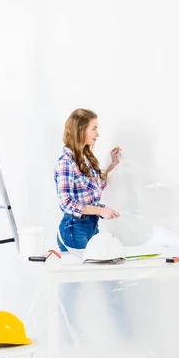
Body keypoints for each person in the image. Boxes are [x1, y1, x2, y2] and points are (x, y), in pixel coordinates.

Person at [55, 108, 121, 252]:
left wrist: (112, 165)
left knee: (93, 272)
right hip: (74, 229)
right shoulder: (66, 162)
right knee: (81, 274)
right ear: (80, 130)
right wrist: (100, 210)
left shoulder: (85, 159)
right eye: (94, 129)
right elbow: (66, 203)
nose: (98, 134)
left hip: (91, 226)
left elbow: (96, 187)